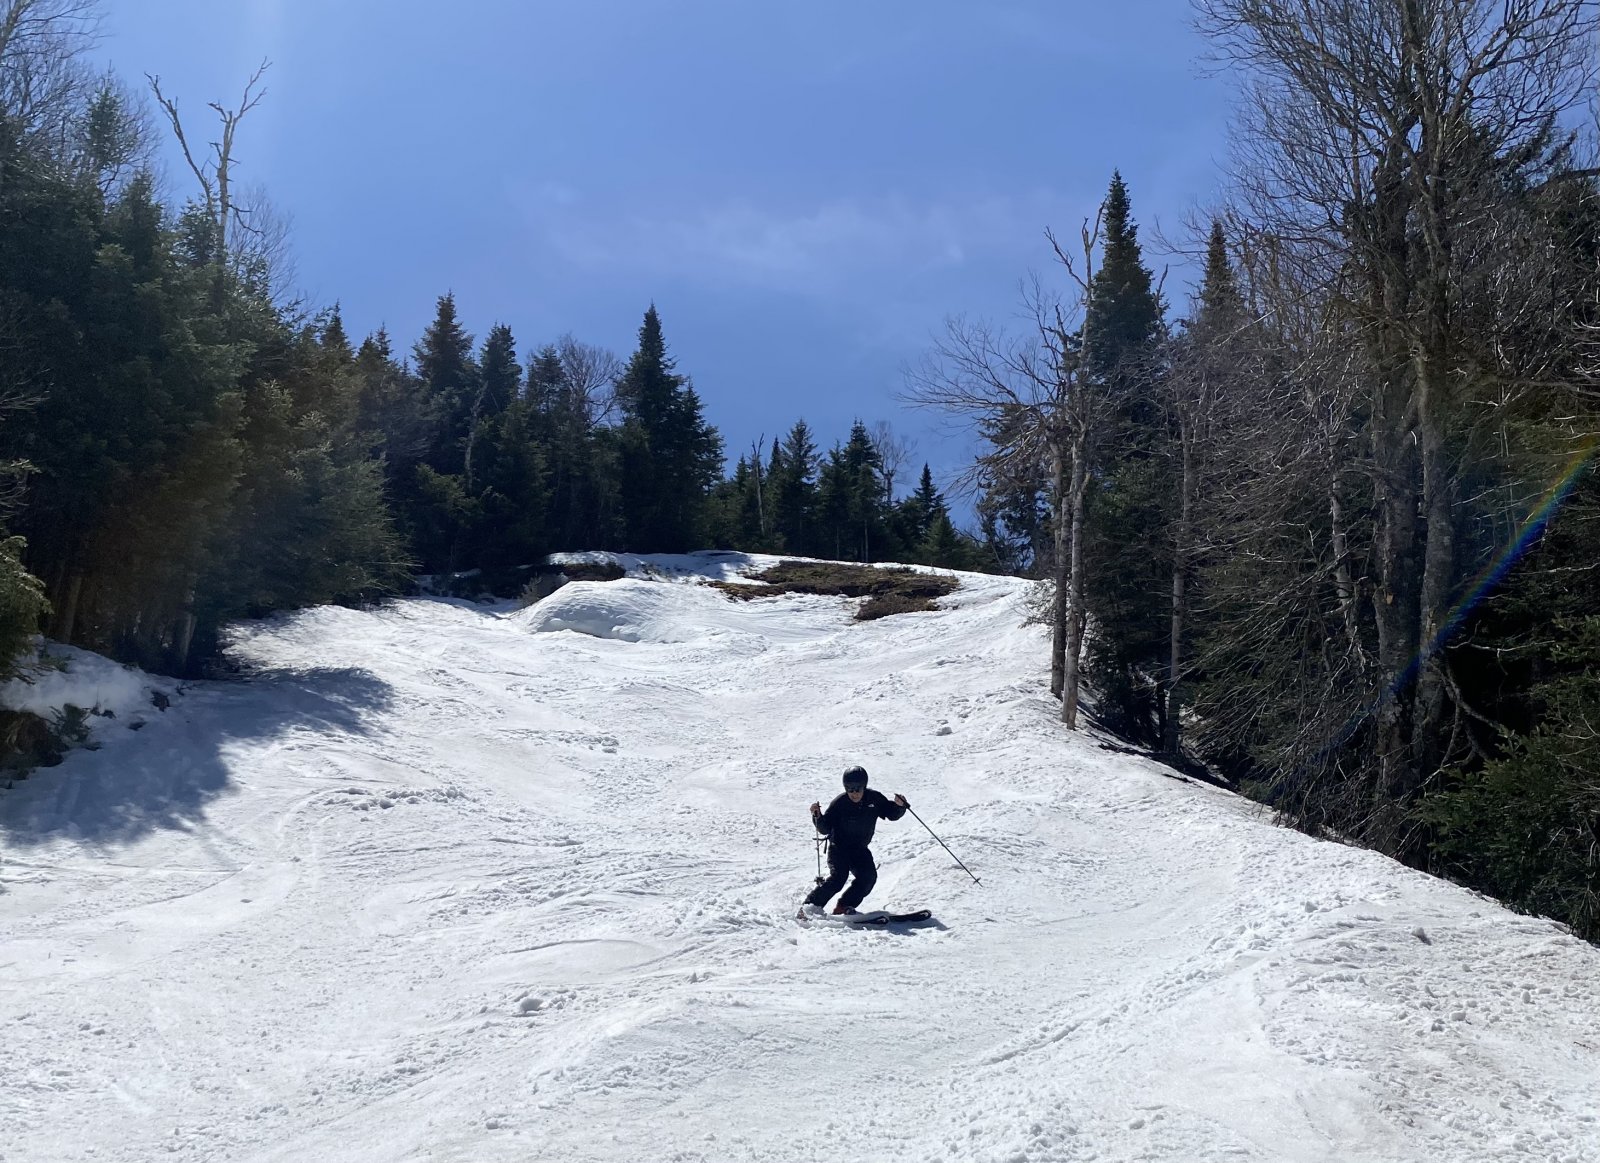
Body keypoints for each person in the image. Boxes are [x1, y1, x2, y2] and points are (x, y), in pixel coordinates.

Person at [803, 765, 908, 915]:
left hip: (859, 849)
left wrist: (899, 806)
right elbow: (825, 828)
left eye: (857, 789)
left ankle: (844, 907)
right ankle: (808, 908)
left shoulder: (874, 798)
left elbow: (892, 813)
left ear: (864, 786)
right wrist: (817, 816)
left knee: (868, 877)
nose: (854, 793)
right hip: (839, 848)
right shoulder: (840, 803)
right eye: (849, 789)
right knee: (838, 878)